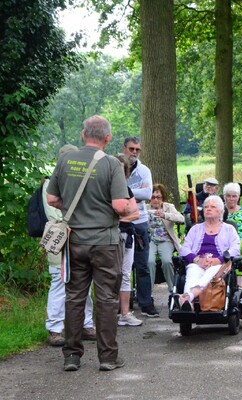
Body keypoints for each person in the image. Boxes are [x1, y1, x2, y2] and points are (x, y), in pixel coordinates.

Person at [47, 115, 137, 372]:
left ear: (83, 135)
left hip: (74, 240)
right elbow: (120, 206)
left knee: (74, 297)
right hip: (105, 243)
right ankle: (108, 358)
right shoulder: (111, 163)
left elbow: (52, 198)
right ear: (108, 139)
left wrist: (78, 209)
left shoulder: (65, 159)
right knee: (107, 299)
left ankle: (72, 356)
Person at [44, 144, 96, 346]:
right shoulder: (50, 185)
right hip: (61, 242)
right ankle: (55, 328)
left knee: (85, 282)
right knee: (59, 282)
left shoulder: (81, 183)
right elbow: (54, 214)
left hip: (81, 241)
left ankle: (86, 324)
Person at [178, 195, 241, 308]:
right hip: (198, 263)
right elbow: (185, 249)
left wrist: (218, 260)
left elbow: (235, 249)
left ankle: (188, 297)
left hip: (220, 265)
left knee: (211, 272)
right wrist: (197, 260)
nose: (208, 209)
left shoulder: (229, 229)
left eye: (212, 206)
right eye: (206, 206)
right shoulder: (195, 229)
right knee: (192, 271)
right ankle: (188, 305)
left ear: (221, 211)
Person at [122, 137, 157, 317]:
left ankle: (145, 302)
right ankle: (121, 306)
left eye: (137, 149)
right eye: (131, 149)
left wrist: (124, 192)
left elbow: (147, 193)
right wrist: (135, 194)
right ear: (124, 148)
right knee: (121, 267)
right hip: (121, 222)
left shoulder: (144, 170)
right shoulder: (116, 167)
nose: (134, 152)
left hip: (141, 221)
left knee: (142, 264)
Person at [114, 154, 143, 327]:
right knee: (108, 275)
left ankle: (124, 313)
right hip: (107, 238)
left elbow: (135, 213)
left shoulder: (126, 189)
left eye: (121, 169)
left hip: (126, 236)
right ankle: (108, 314)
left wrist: (117, 218)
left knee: (125, 274)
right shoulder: (101, 188)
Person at [147, 183, 185, 293]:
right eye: (153, 197)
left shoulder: (169, 207)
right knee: (149, 262)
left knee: (167, 261)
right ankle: (149, 294)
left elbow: (181, 219)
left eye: (158, 197)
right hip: (150, 240)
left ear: (163, 198)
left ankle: (173, 291)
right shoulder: (146, 208)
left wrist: (165, 215)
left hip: (166, 240)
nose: (155, 200)